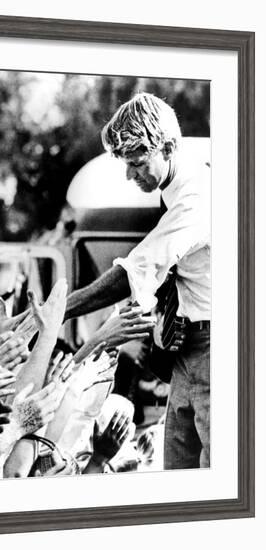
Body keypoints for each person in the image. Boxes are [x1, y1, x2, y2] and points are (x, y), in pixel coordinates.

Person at [65, 92, 211, 469]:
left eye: (138, 164)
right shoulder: (176, 190)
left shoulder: (196, 197)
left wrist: (59, 312)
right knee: (178, 469)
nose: (131, 176)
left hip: (215, 351)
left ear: (168, 146)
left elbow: (135, 270)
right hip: (186, 352)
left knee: (215, 478)